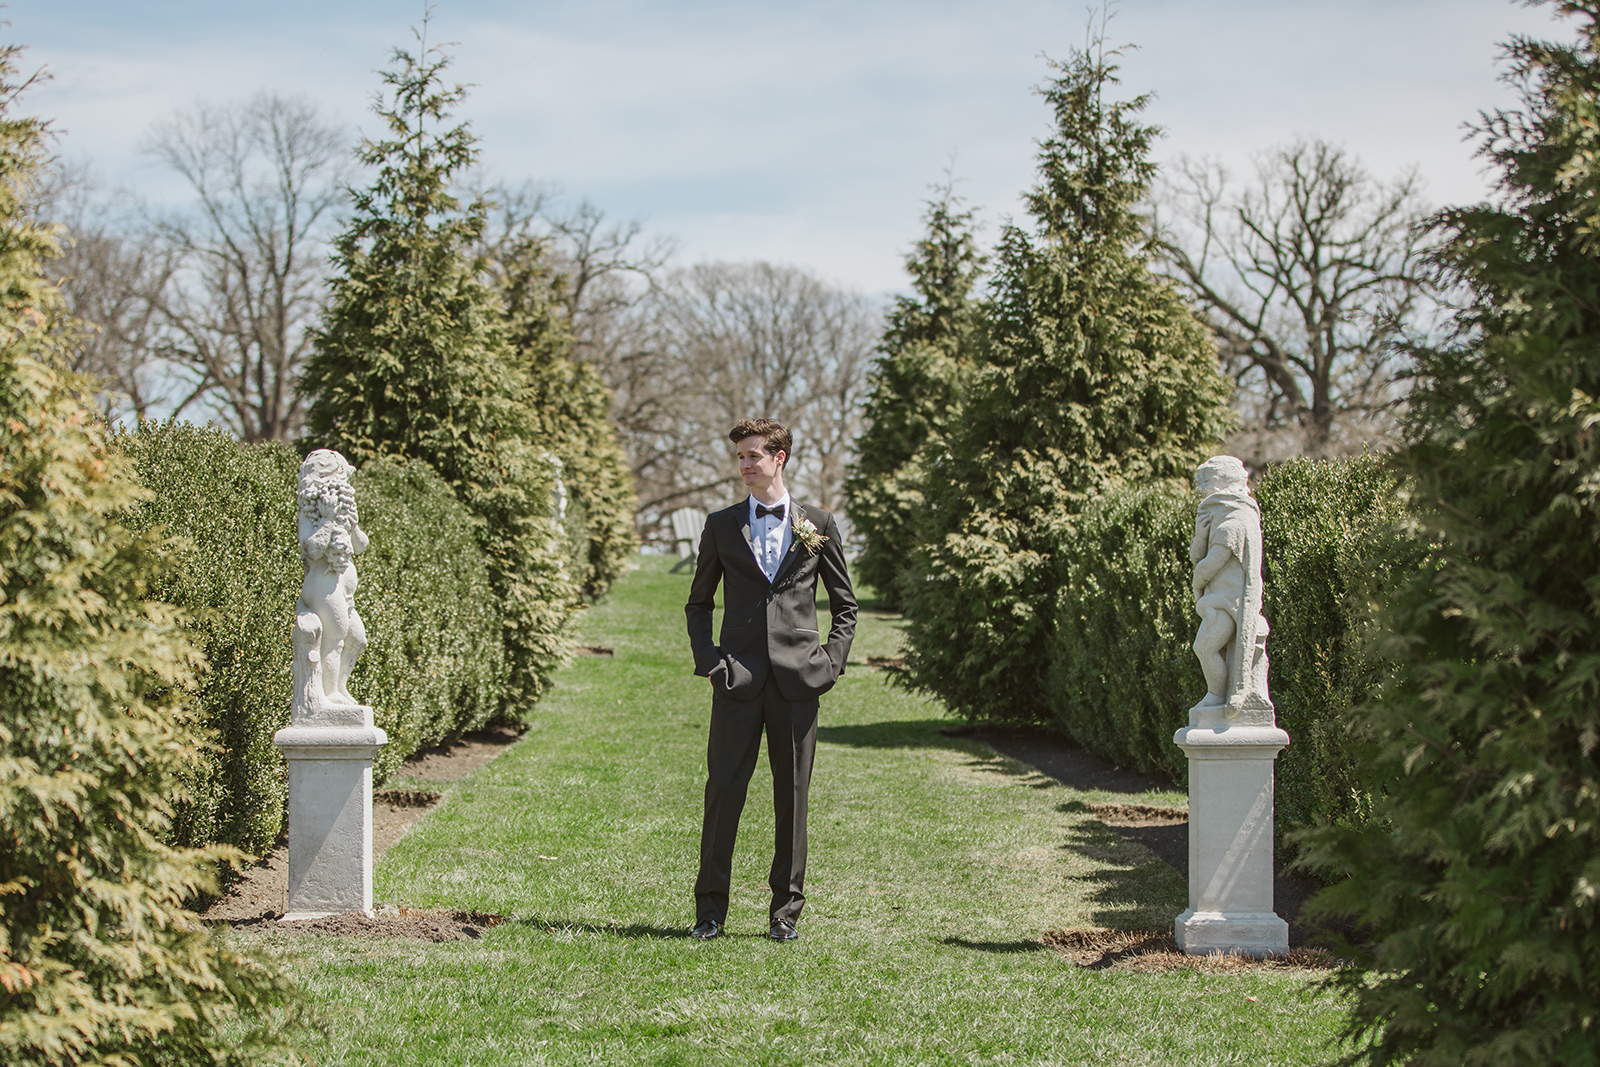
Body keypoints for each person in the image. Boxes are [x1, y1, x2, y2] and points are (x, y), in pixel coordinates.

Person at [685, 418, 857, 942]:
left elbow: (845, 606)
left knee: (793, 797)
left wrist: (828, 663)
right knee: (723, 794)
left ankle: (785, 915)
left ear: (779, 458)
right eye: (740, 456)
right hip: (737, 680)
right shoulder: (720, 525)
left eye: (753, 455)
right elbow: (698, 603)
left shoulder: (819, 522)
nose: (744, 465)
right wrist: (712, 662)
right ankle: (710, 913)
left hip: (798, 682)